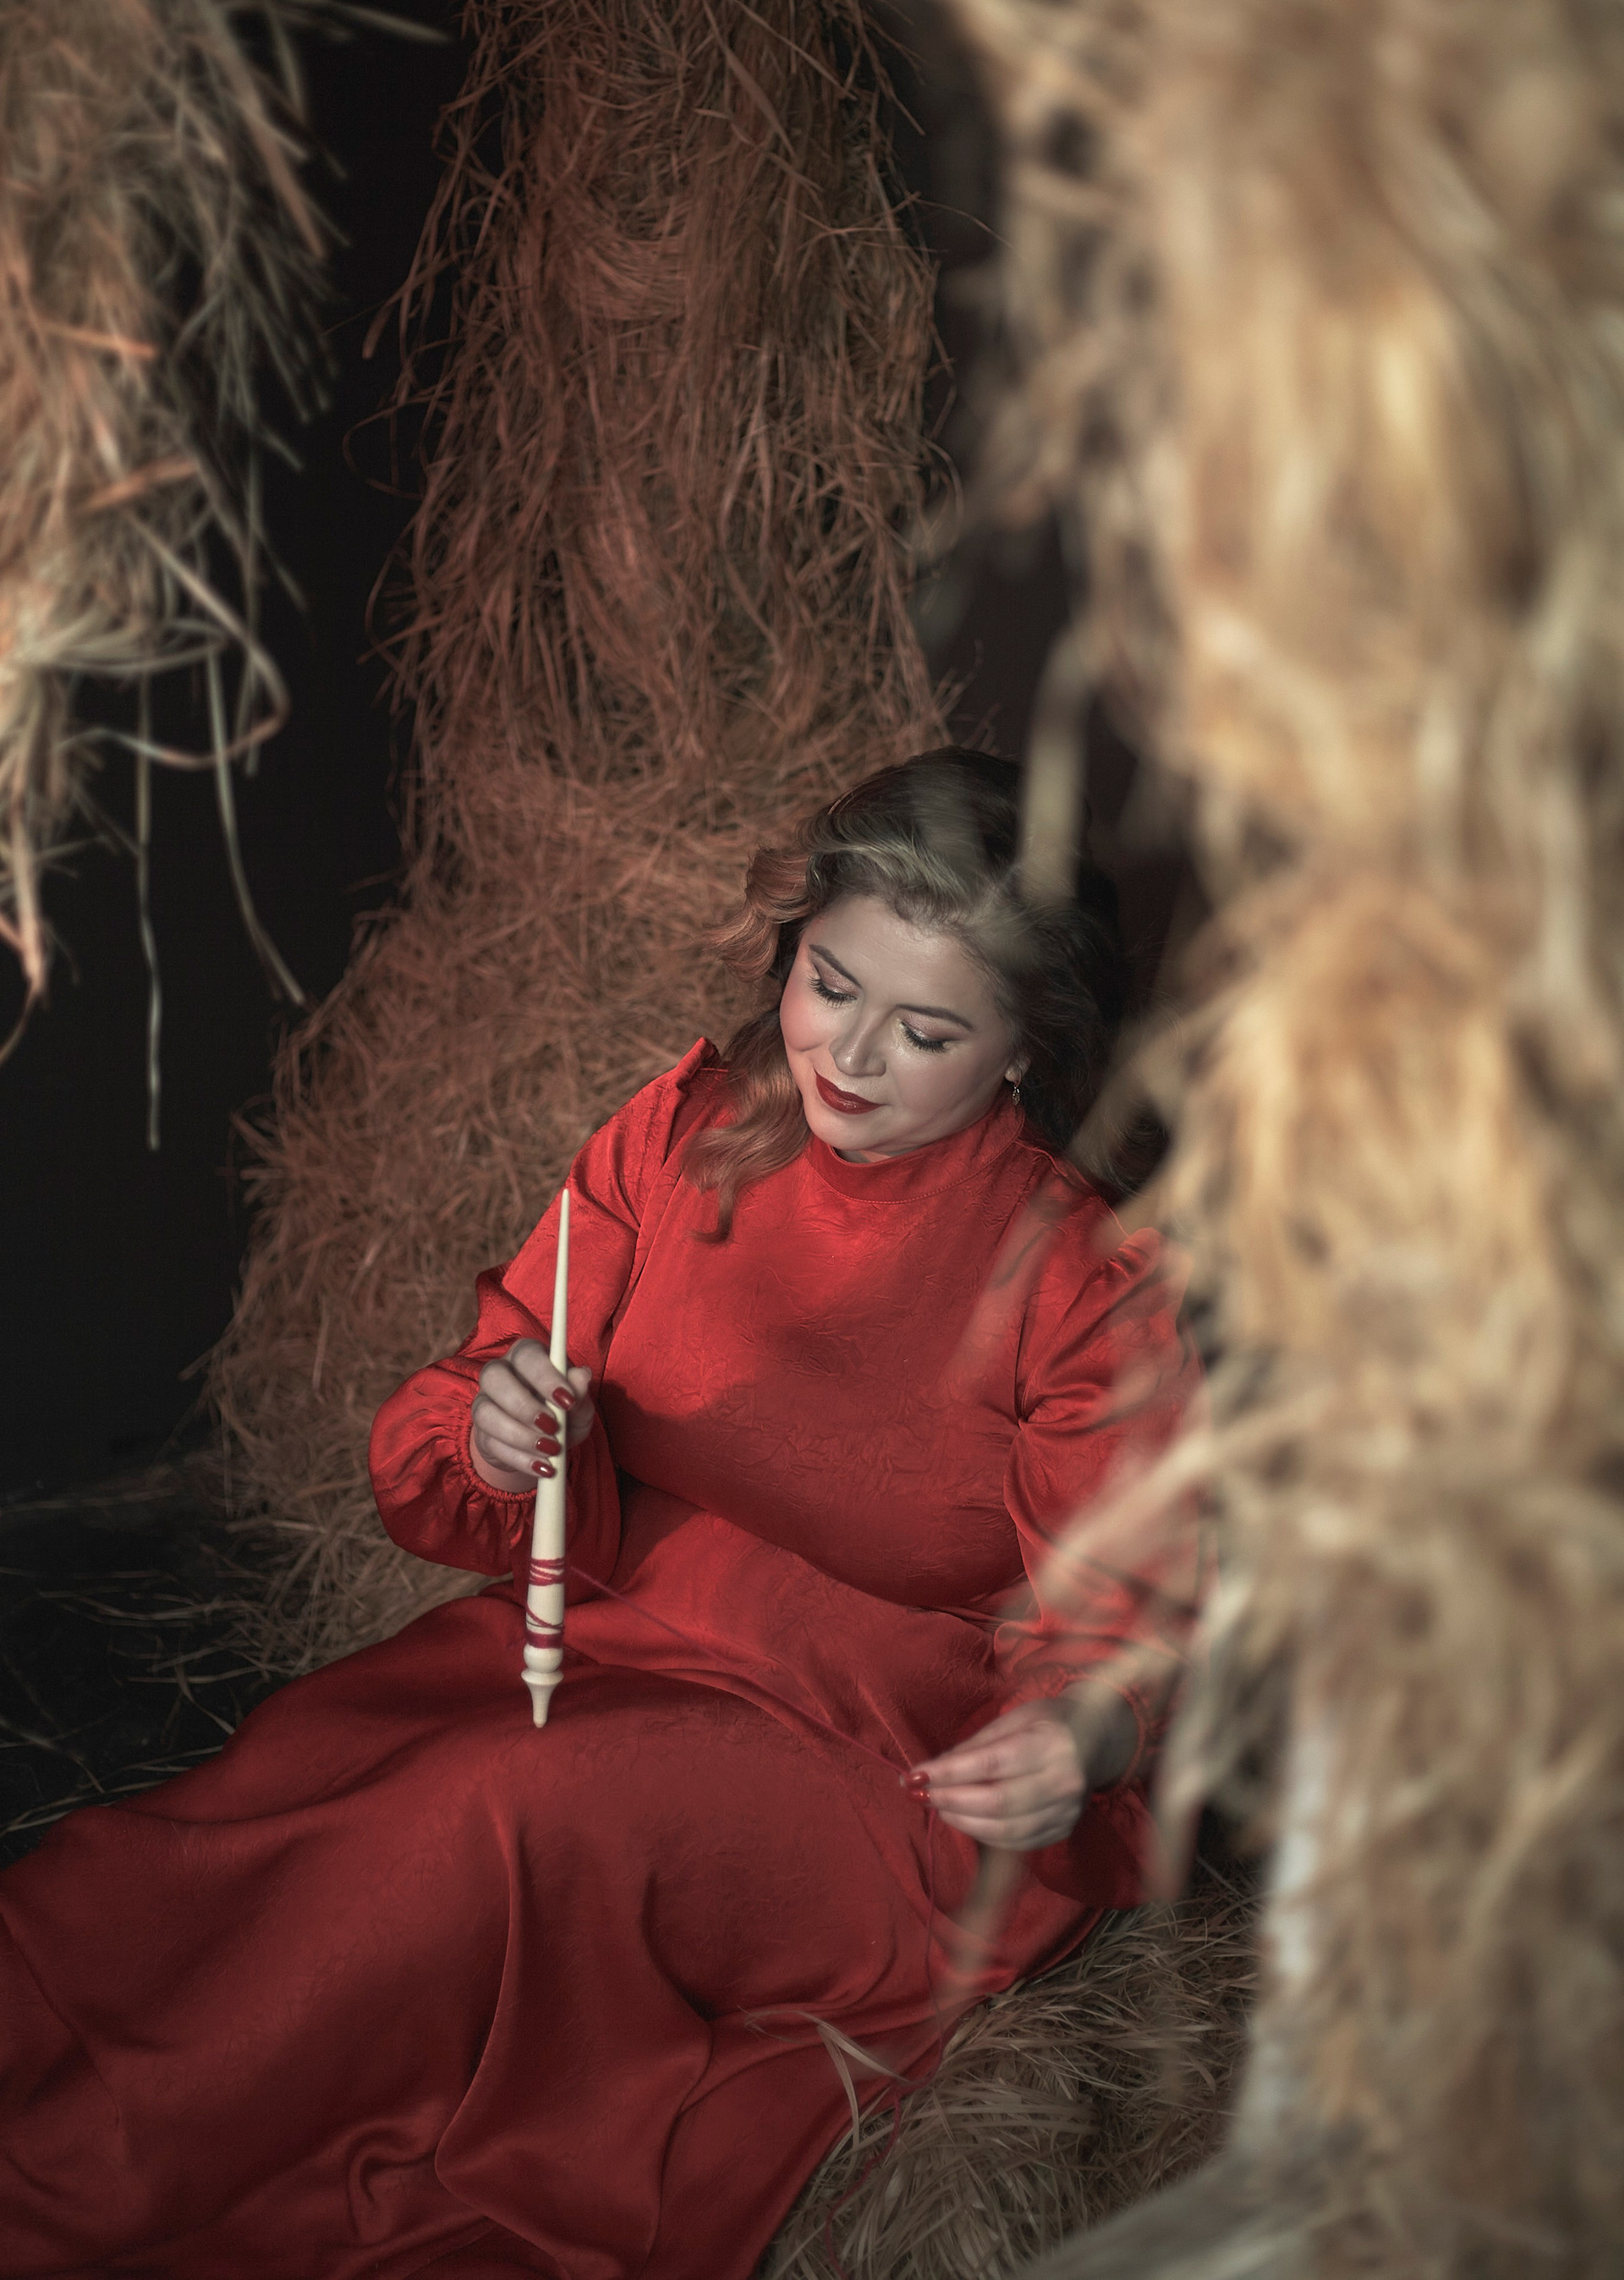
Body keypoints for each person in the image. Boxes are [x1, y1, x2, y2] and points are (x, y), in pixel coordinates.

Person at [0, 748, 1197, 2280]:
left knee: (497, 1813)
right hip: (613, 1633)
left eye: (927, 1031)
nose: (850, 1055)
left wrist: (1081, 1733)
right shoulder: (687, 1132)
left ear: (1025, 1050)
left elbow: (1129, 1608)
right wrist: (501, 1429)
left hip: (892, 1767)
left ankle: (87, 2181)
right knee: (295, 1803)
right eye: (830, 984)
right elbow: (486, 1378)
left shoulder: (1084, 1283)